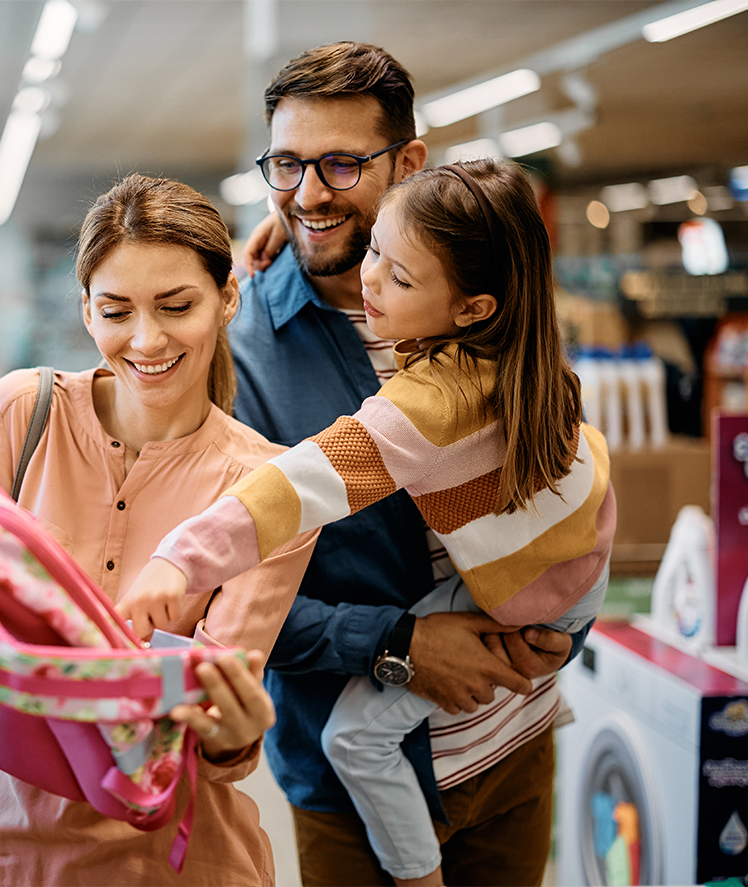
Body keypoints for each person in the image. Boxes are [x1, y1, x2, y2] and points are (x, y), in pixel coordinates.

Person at [122, 155, 616, 885]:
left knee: (354, 736)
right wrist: (288, 237)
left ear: (474, 304)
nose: (370, 278)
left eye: (400, 274)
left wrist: (180, 557)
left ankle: (417, 875)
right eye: (376, 248)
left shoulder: (426, 407)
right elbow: (468, 214)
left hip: (532, 614)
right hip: (574, 567)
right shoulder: (521, 341)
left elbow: (291, 487)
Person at [0, 173, 317, 886]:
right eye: (116, 309)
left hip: (181, 866)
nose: (146, 339)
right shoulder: (24, 415)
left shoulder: (266, 488)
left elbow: (216, 737)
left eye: (177, 305)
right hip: (7, 857)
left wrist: (235, 736)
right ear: (85, 309)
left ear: (227, 298)